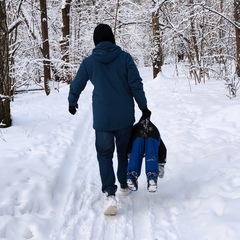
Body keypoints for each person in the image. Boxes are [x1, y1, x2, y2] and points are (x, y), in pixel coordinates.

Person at [68, 23, 151, 216]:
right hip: (124, 118)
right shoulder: (125, 58)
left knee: (104, 155)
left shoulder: (89, 62)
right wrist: (143, 107)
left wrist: (72, 102)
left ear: (96, 41)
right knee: (123, 153)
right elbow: (135, 84)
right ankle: (123, 184)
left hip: (103, 119)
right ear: (113, 39)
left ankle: (110, 194)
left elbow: (77, 83)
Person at [126, 115, 167, 192]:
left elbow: (128, 143)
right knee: (152, 154)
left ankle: (132, 175)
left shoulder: (135, 128)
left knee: (135, 154)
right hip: (153, 135)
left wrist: (128, 154)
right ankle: (152, 177)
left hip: (137, 135)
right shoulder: (155, 129)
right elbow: (162, 148)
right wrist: (161, 164)